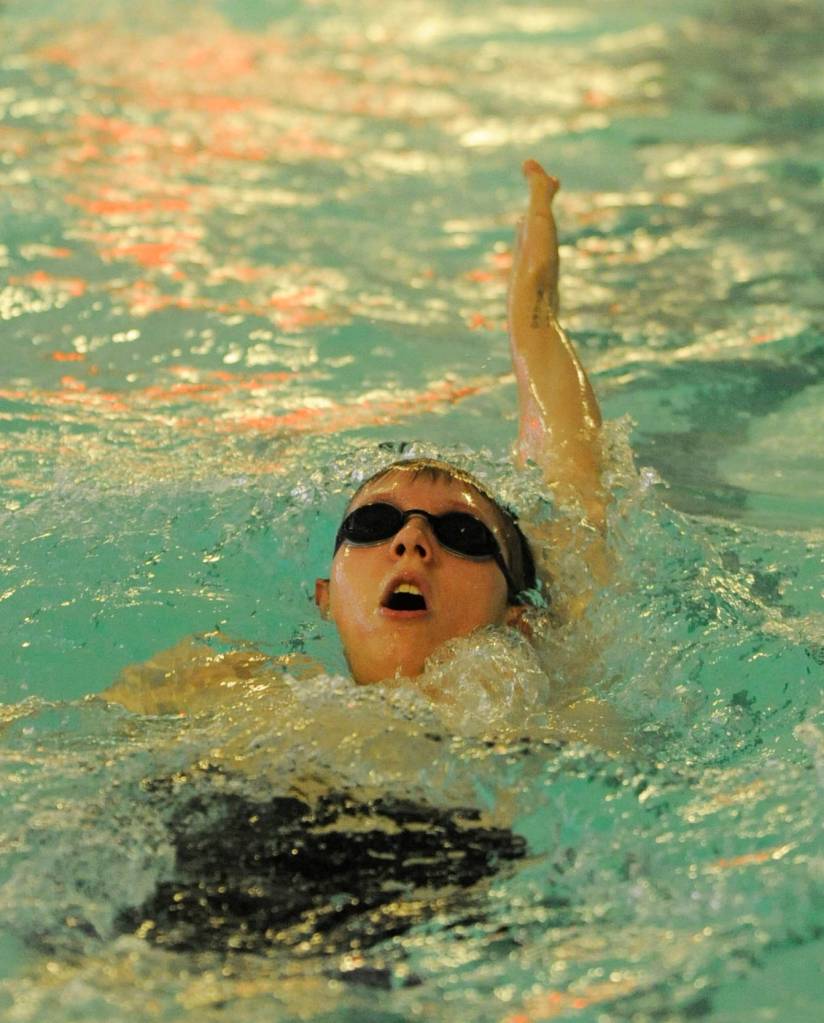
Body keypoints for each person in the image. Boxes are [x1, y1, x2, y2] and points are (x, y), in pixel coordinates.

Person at [104, 160, 616, 744]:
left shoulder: (539, 709)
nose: (411, 542)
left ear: (517, 619)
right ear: (326, 597)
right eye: (373, 524)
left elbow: (573, 465)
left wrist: (535, 276)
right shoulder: (229, 686)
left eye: (464, 535)